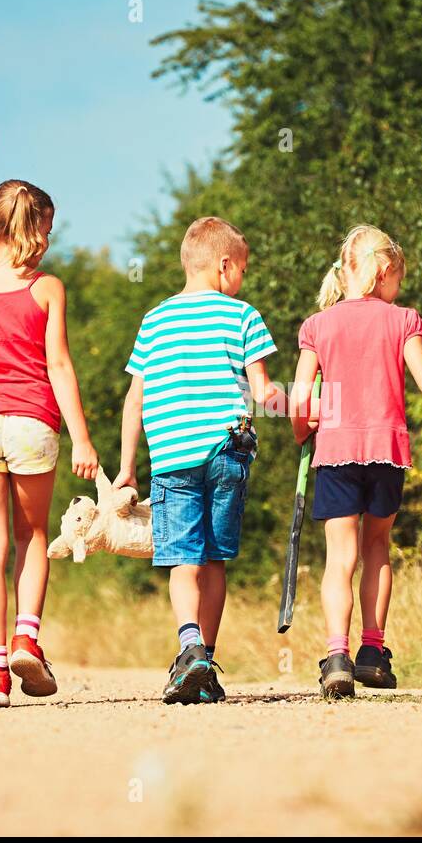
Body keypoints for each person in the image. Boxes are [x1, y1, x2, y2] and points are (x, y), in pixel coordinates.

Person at [289, 224, 422, 698]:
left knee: (339, 558)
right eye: (397, 280)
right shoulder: (402, 320)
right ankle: (373, 651)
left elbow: (300, 398)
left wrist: (303, 432)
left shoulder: (317, 326)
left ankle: (337, 655)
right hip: (386, 452)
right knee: (377, 549)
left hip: (337, 453)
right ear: (384, 271)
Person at [115, 216, 283, 704]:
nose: (242, 281)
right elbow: (263, 392)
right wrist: (302, 404)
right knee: (214, 560)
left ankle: (190, 651)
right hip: (227, 451)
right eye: (243, 271)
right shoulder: (242, 315)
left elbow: (135, 399)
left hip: (171, 455)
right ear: (225, 265)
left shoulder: (154, 320)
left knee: (182, 562)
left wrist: (127, 467)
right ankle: (204, 658)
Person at [0, 179, 98, 708]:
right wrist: (81, 438)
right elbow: (58, 365)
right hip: (32, 422)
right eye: (48, 229)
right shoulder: (46, 288)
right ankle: (26, 637)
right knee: (32, 535)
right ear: (34, 230)